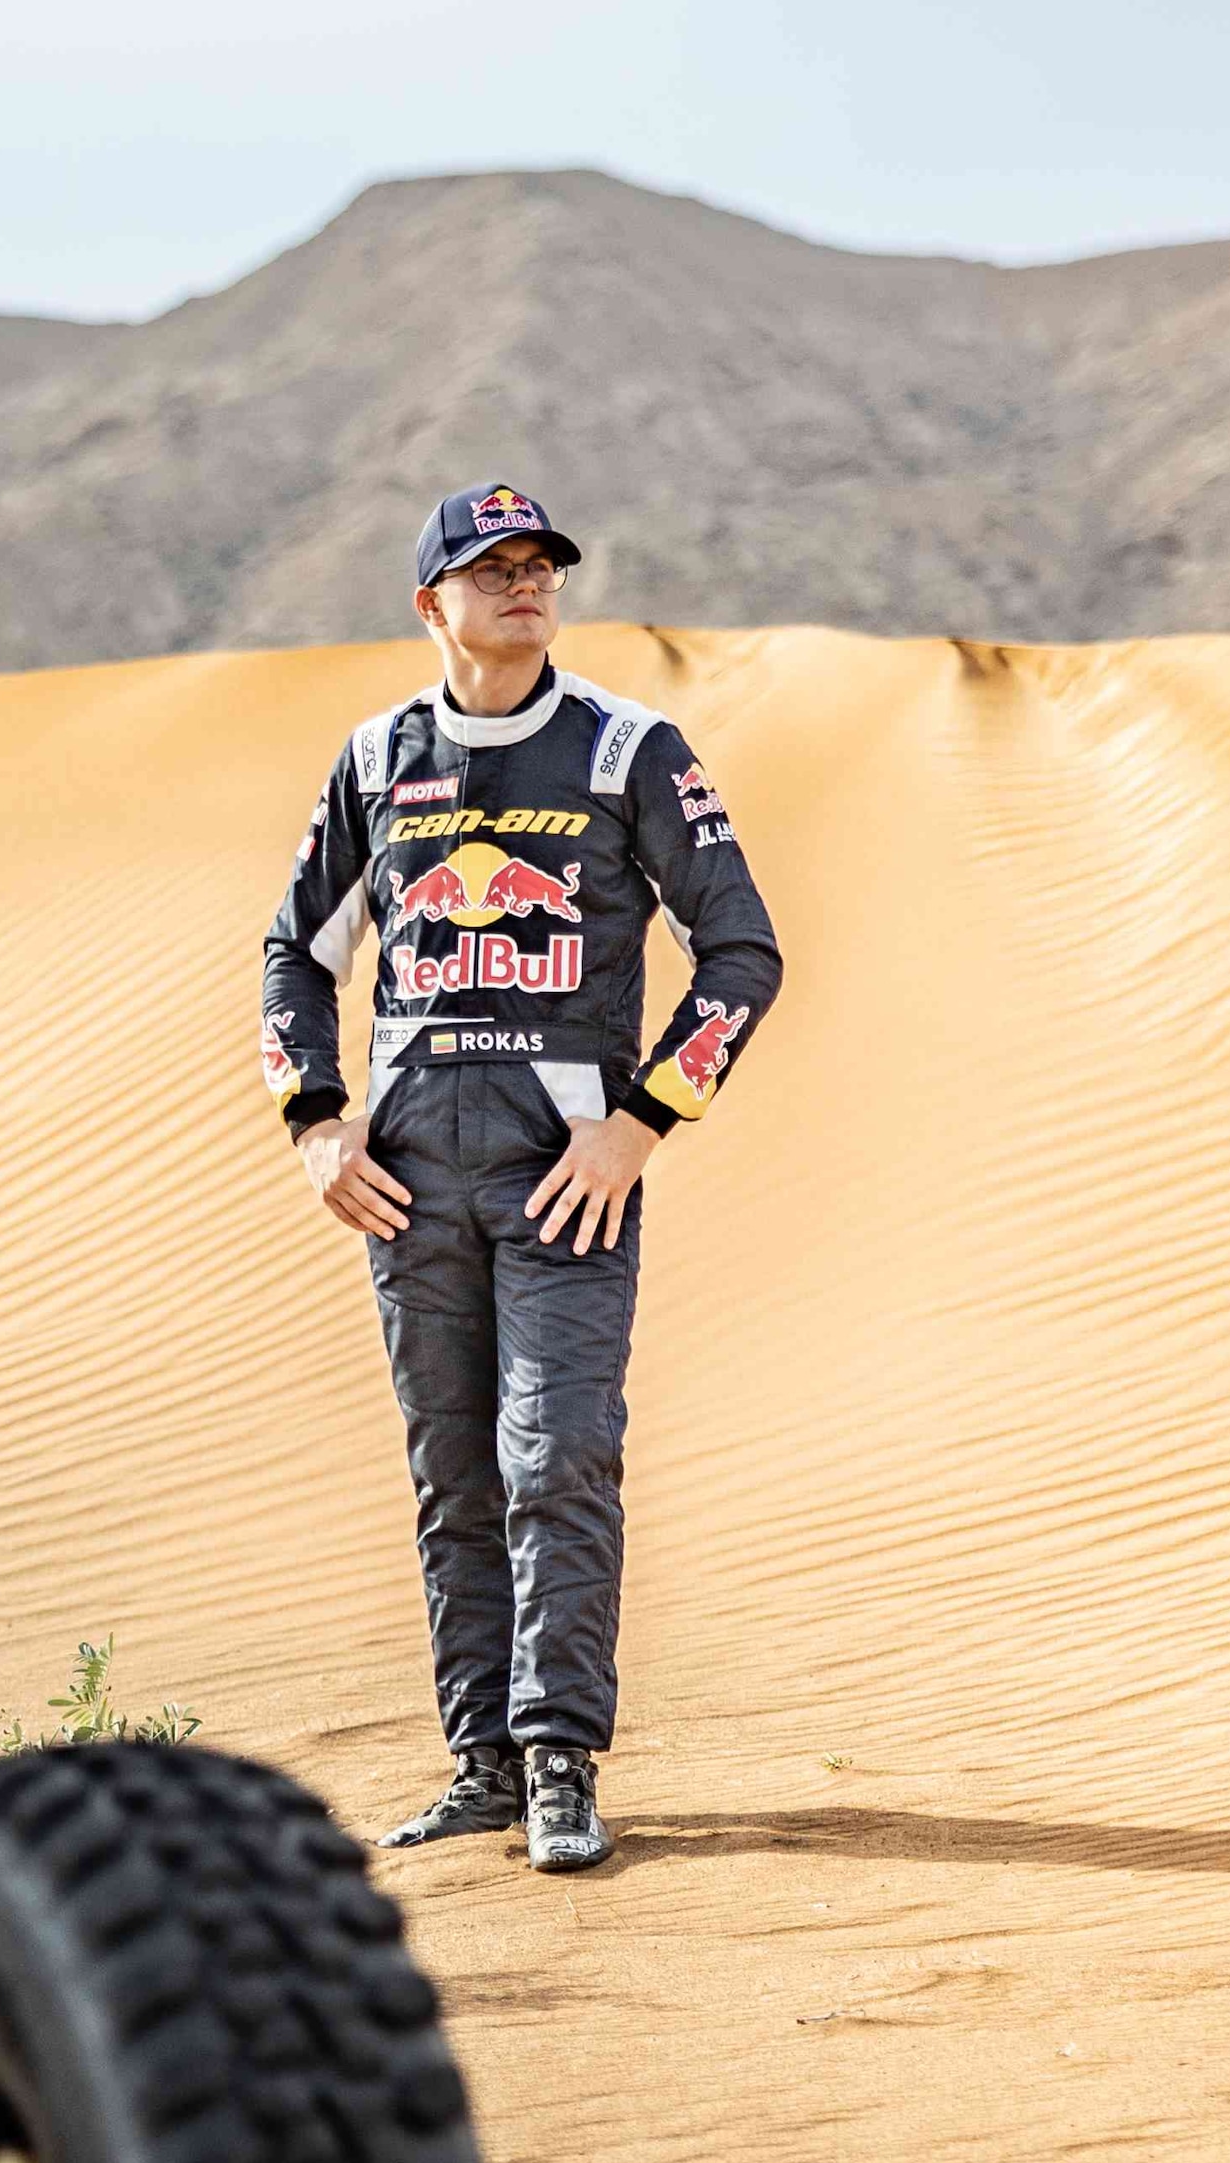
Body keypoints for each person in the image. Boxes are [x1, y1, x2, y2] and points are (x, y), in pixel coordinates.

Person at [257, 482, 782, 1874]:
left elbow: (741, 953)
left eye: (541, 563)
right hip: (411, 1182)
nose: (526, 583)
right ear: (432, 602)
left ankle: (559, 1757)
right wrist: (317, 1121)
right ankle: (480, 1761)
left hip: (569, 1183)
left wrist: (642, 1122)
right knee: (452, 1471)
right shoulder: (376, 761)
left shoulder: (628, 752)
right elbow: (293, 957)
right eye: (492, 568)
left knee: (556, 1455)